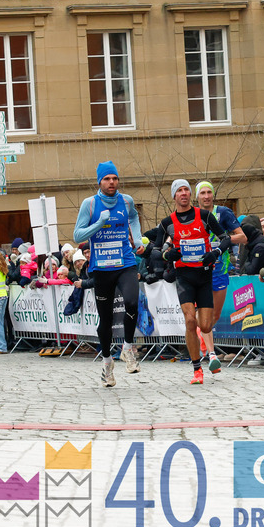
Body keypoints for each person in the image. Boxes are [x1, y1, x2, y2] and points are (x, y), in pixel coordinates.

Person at [72, 161, 145, 387]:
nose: (111, 182)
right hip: (102, 268)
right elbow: (77, 235)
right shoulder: (90, 204)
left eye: (114, 178)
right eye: (107, 179)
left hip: (125, 262)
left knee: (132, 302)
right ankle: (106, 363)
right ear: (99, 182)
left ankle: (128, 348)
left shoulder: (126, 201)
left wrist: (137, 238)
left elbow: (134, 217)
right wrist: (99, 223)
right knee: (105, 320)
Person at [153, 179, 231, 385]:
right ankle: (197, 369)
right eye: (179, 190)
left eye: (186, 190)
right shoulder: (167, 223)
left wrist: (215, 253)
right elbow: (156, 251)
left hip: (204, 276)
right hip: (184, 277)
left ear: (190, 195)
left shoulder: (204, 216)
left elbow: (225, 238)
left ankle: (205, 349)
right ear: (174, 196)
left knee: (205, 325)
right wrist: (168, 255)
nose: (183, 193)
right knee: (189, 320)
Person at [193, 181, 246, 373]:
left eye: (209, 192)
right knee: (204, 312)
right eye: (203, 193)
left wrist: (223, 240)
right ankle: (212, 354)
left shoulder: (223, 213)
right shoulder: (192, 215)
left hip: (220, 269)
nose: (206, 196)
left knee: (214, 315)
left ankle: (200, 332)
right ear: (197, 197)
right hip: (199, 269)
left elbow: (243, 237)